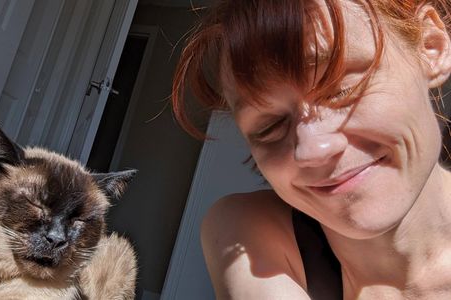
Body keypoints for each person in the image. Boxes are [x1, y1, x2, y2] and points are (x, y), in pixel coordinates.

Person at [171, 0, 451, 299]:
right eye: (270, 126)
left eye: (343, 89)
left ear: (431, 47)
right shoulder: (251, 235)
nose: (312, 149)